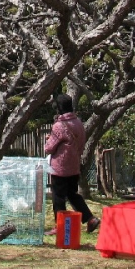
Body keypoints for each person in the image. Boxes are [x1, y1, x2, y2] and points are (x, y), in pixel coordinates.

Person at [43, 94, 100, 234]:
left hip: (60, 167)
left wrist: (49, 139)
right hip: (74, 165)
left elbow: (49, 148)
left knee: (58, 197)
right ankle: (90, 218)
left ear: (59, 108)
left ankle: (60, 226)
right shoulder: (79, 123)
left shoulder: (59, 125)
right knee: (73, 194)